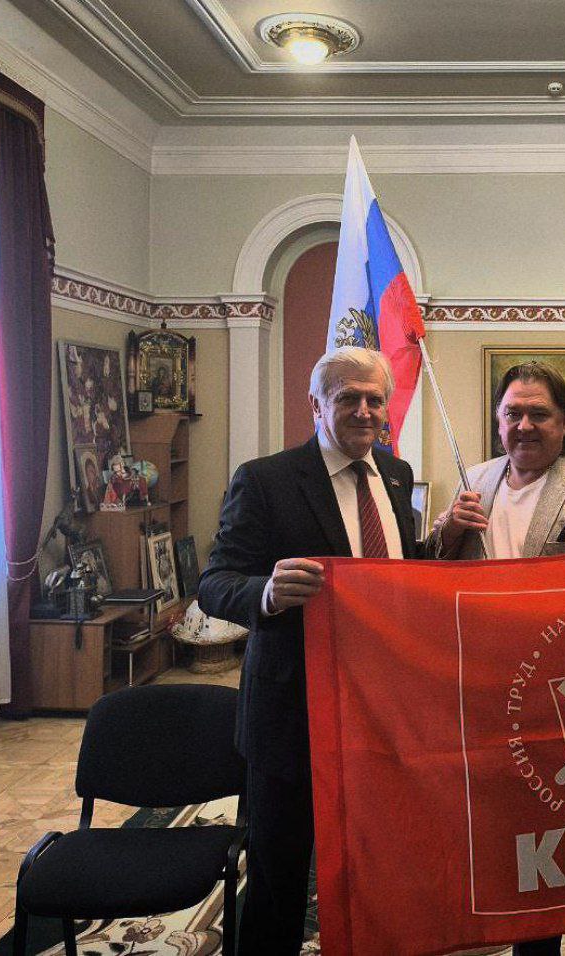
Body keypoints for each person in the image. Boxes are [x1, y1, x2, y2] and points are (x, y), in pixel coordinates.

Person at [198, 346, 418, 956]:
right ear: (316, 406)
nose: (365, 411)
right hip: (292, 712)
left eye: (375, 399)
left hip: (379, 708)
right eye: (348, 398)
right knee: (280, 875)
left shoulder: (396, 475)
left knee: (374, 863)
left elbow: (395, 575)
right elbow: (215, 582)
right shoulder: (264, 479)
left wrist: (444, 539)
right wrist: (265, 594)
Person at [429, 361, 565, 956]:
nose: (524, 425)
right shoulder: (475, 479)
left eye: (539, 414)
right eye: (512, 413)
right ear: (498, 421)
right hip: (492, 700)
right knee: (521, 847)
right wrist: (448, 531)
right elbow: (433, 573)